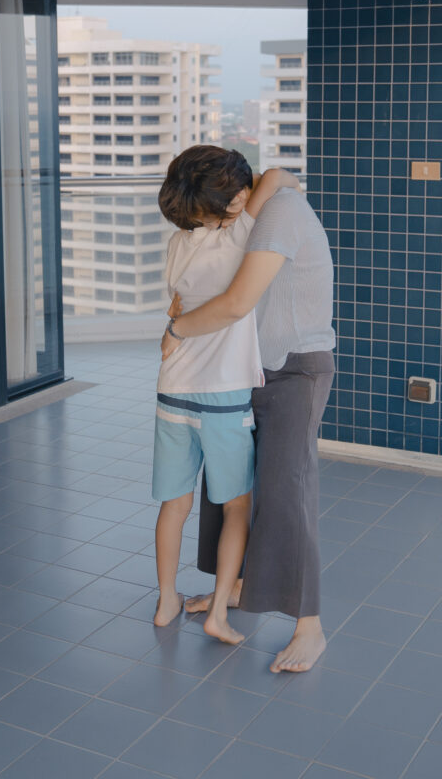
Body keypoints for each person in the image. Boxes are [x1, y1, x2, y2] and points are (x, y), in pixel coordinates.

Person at [161, 166, 335, 673]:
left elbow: (237, 302)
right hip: (246, 368)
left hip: (294, 369)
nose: (212, 226)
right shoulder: (248, 208)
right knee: (233, 487)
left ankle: (310, 625)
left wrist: (177, 329)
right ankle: (235, 585)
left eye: (211, 215)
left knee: (286, 491)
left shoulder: (279, 212)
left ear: (235, 195)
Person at [152, 146, 299, 645]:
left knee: (174, 505)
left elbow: (177, 303)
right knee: (237, 506)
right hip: (225, 396)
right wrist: (288, 190)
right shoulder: (241, 235)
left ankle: (166, 601)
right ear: (228, 201)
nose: (241, 198)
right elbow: (276, 176)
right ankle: (217, 611)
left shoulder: (177, 245)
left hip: (173, 391)